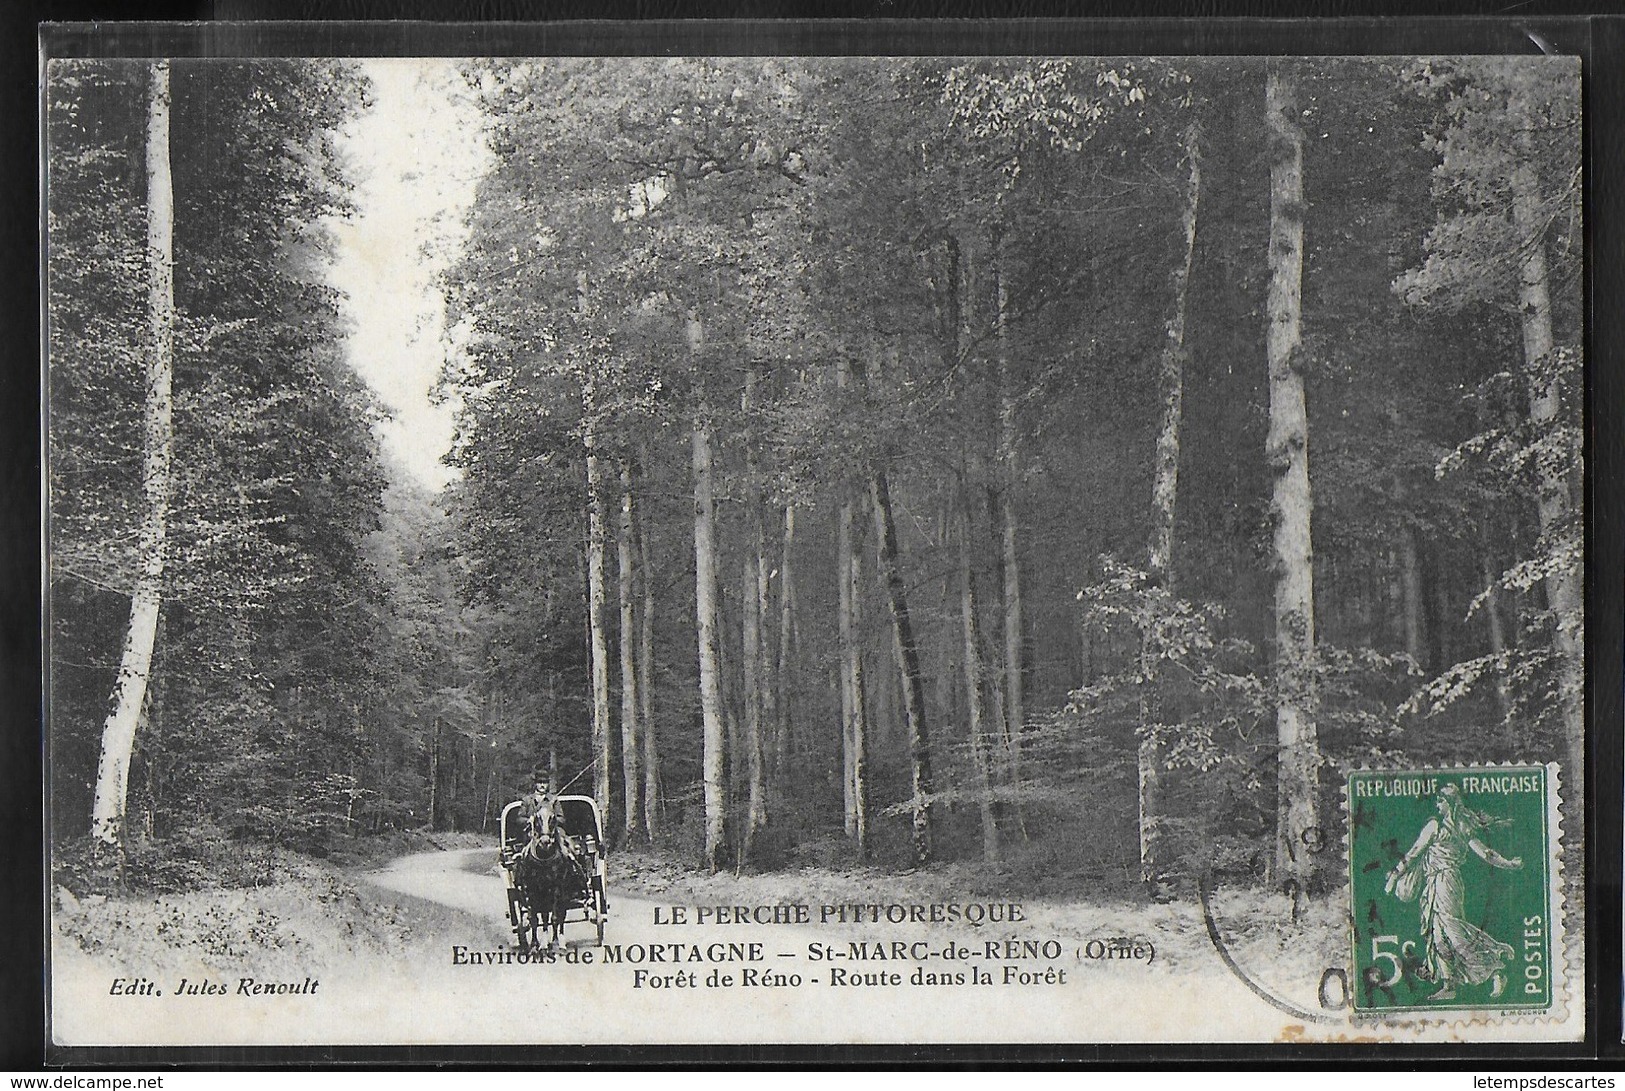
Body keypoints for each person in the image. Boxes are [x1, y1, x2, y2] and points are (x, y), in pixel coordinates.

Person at [1385, 783, 1522, 1001]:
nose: (1437, 804)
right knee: (1438, 937)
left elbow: (1485, 853)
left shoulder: (1461, 827)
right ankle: (1449, 985)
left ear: (1450, 804)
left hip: (1448, 882)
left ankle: (1496, 969)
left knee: (1454, 933)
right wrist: (1395, 875)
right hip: (1432, 884)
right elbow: (1413, 853)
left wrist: (1508, 864)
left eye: (1441, 801)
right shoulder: (1434, 825)